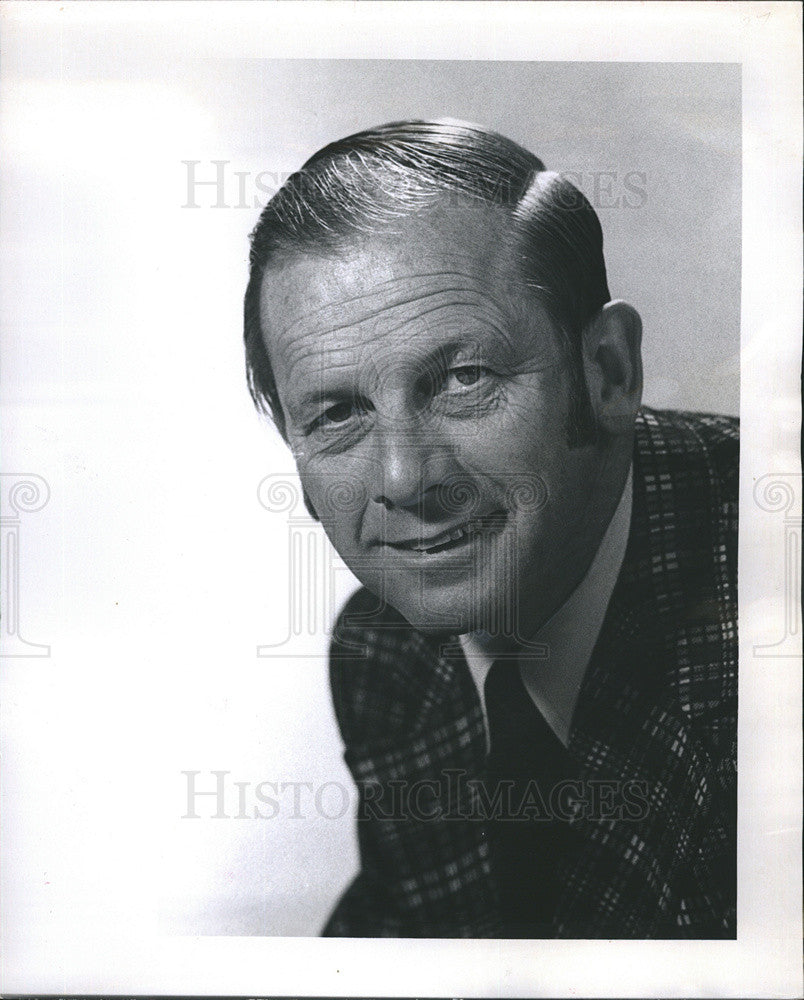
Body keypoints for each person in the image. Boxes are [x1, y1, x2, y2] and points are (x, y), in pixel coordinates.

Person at [243, 120, 738, 938]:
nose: (404, 481)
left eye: (464, 379)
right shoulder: (384, 655)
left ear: (609, 372)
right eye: (337, 414)